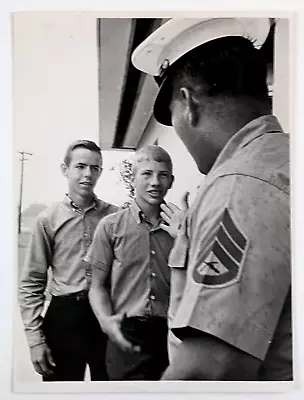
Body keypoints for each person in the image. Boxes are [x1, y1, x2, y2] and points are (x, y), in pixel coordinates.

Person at [131, 18, 291, 380]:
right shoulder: (281, 158)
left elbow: (207, 373)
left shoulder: (238, 186)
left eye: (172, 117)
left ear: (187, 104)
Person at [19, 140, 119, 381]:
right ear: (65, 169)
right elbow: (32, 282)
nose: (88, 174)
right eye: (81, 166)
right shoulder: (48, 219)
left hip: (105, 315)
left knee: (110, 391)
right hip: (65, 317)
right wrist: (35, 341)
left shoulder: (115, 217)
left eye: (95, 168)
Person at [85, 145, 175, 380]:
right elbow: (97, 286)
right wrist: (107, 322)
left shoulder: (182, 228)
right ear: (132, 178)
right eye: (146, 174)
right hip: (127, 334)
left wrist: (186, 237)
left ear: (172, 181)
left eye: (162, 175)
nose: (155, 182)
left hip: (172, 336)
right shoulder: (110, 227)